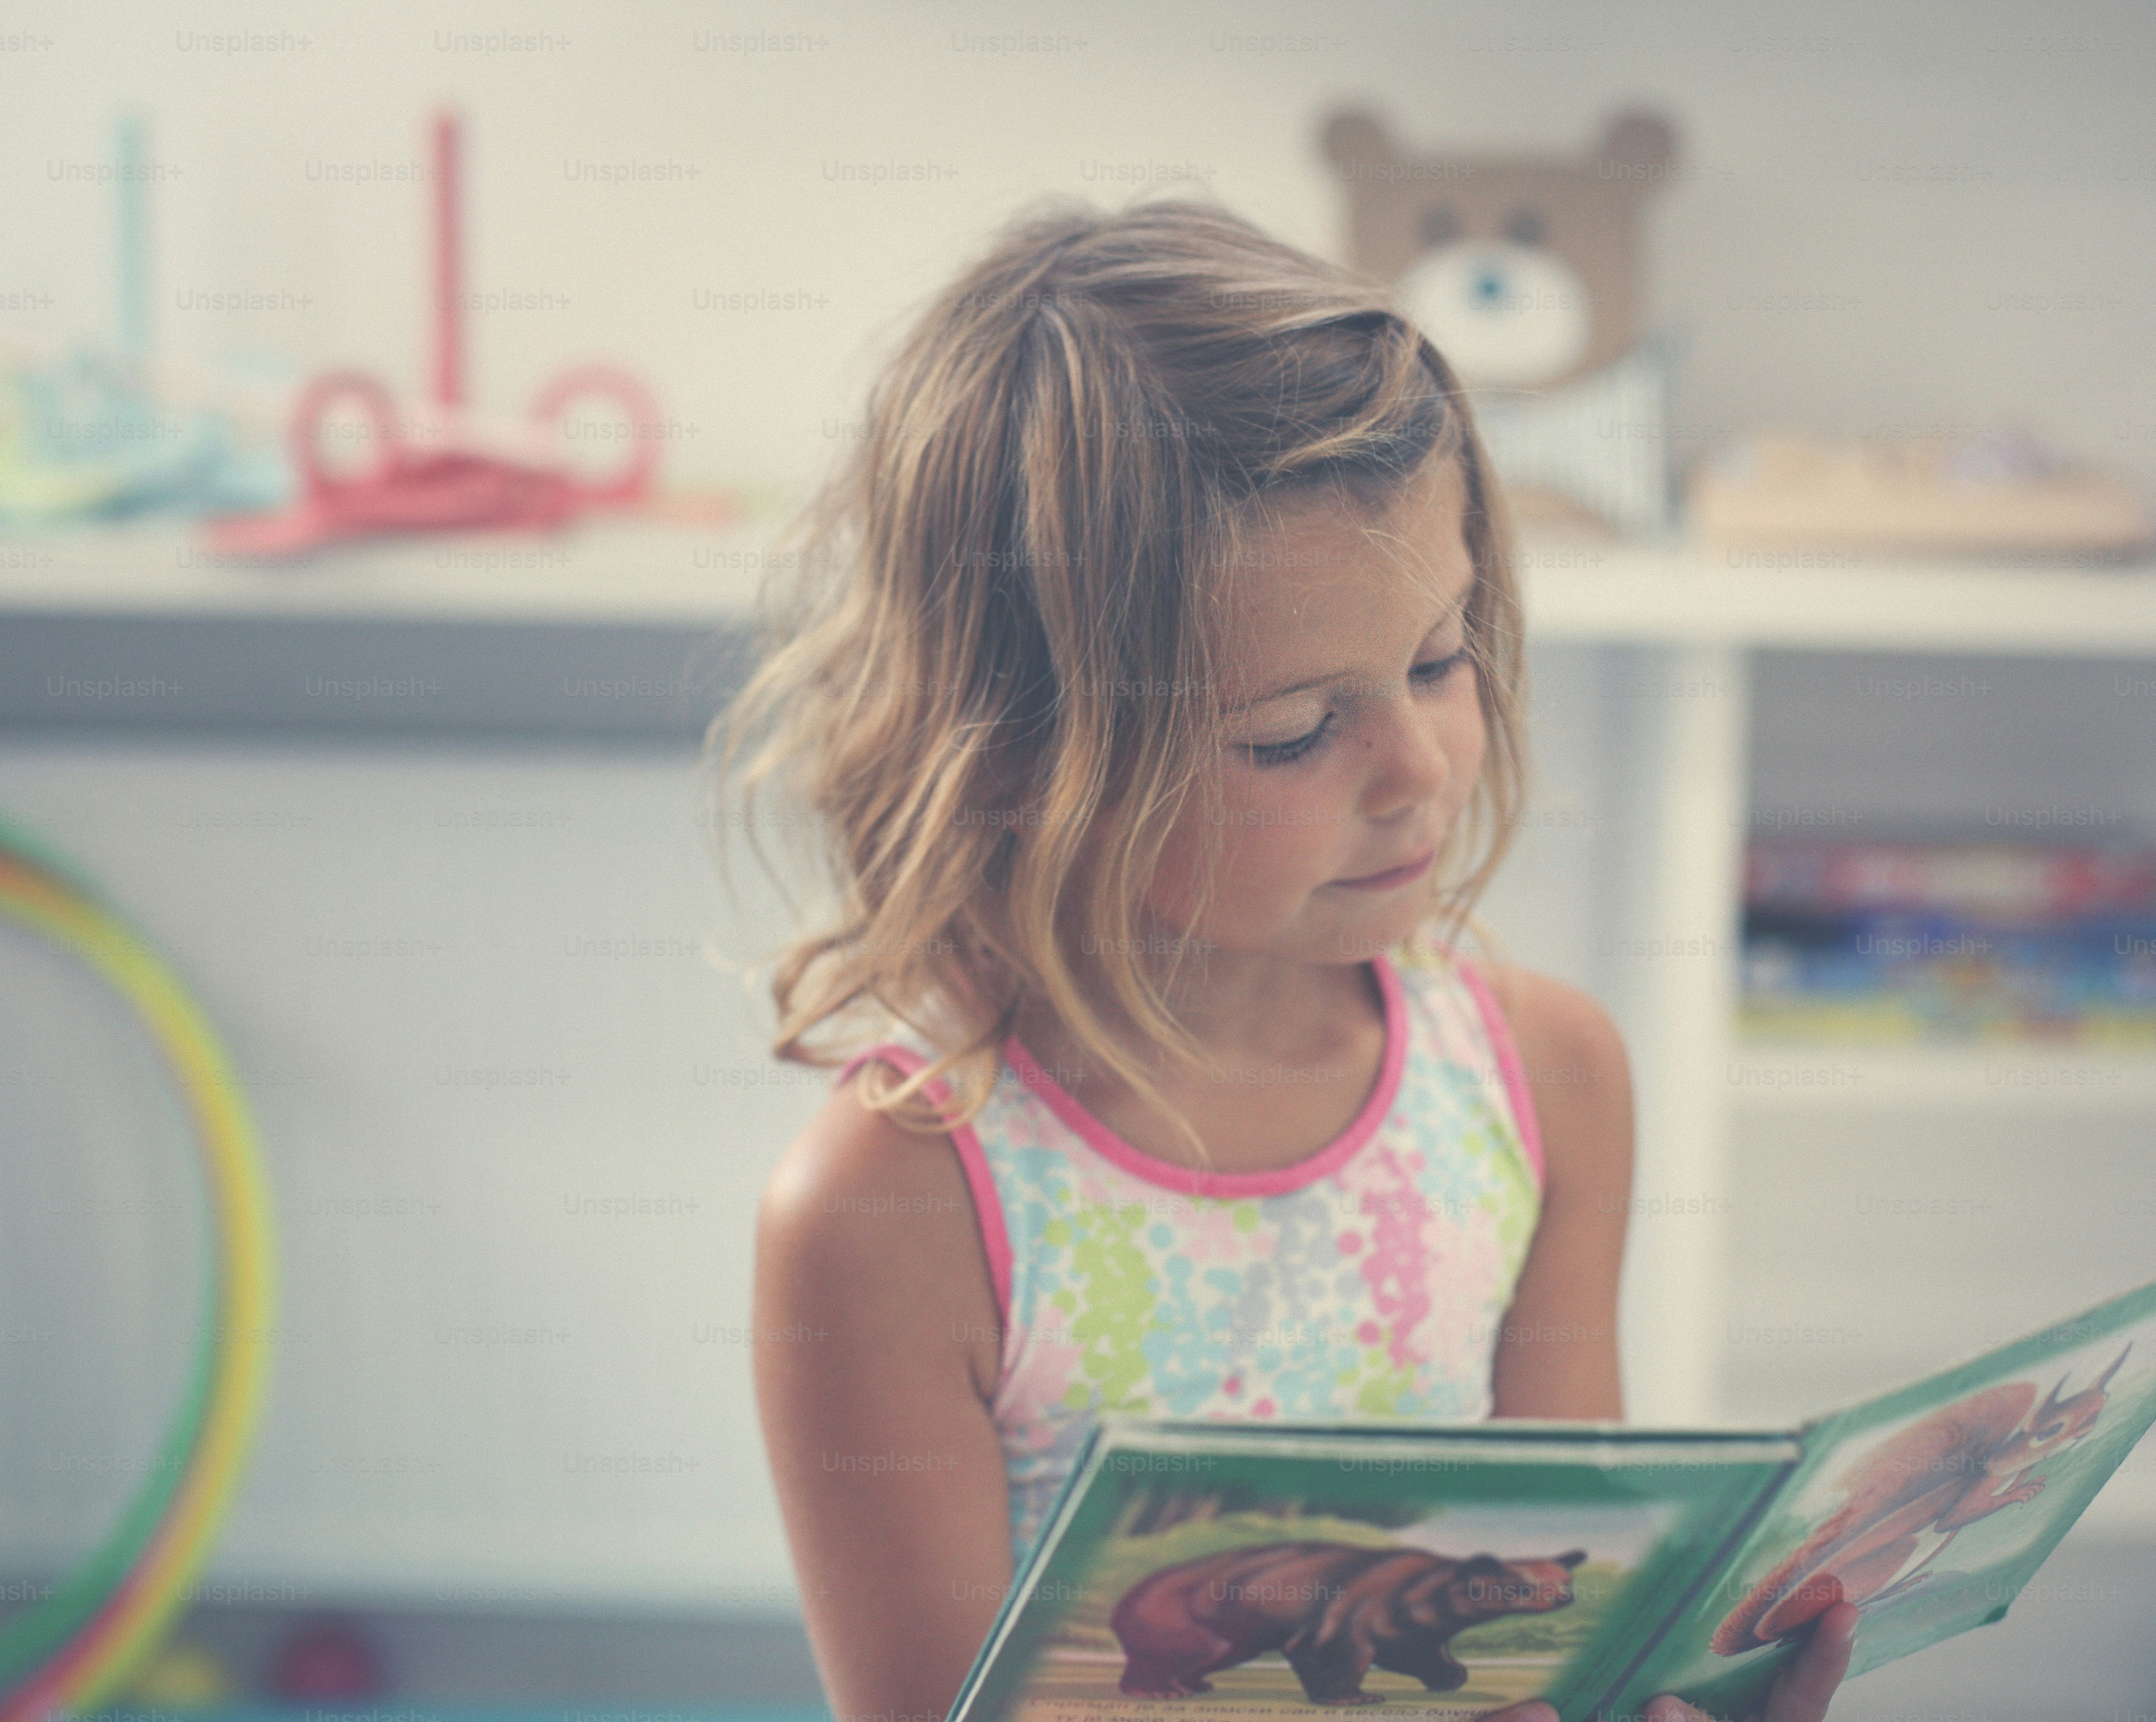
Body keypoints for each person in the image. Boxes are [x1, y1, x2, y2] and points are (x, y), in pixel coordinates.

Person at [724, 198, 1852, 1722]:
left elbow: (1545, 1637)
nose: (1418, 769)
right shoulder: (890, 1206)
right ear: (1015, 757)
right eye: (1292, 732)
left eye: (1441, 661)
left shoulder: (1546, 1082)